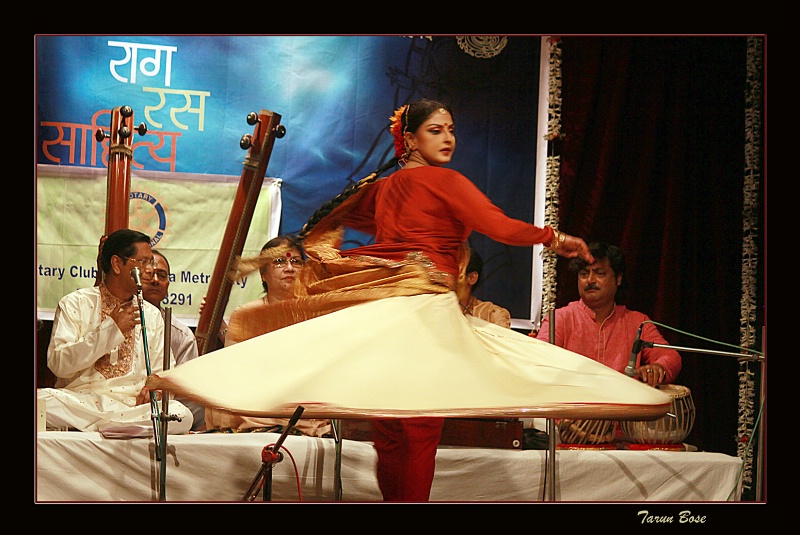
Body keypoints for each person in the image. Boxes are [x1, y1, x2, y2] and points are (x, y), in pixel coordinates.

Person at [150, 99, 671, 502]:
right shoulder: (443, 181)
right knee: (418, 426)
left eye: (451, 130)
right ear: (411, 139)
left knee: (391, 429)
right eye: (435, 130)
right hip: (421, 311)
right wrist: (555, 239)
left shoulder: (382, 188)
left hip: (386, 308)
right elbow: (498, 226)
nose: (448, 138)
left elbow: (343, 221)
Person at [40, 229, 193, 434]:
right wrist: (110, 330)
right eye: (143, 262)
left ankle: (110, 427)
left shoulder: (152, 315)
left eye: (151, 262)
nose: (149, 270)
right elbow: (59, 365)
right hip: (82, 403)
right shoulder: (76, 303)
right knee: (41, 401)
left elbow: (162, 373)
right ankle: (116, 428)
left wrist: (156, 389)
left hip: (132, 408)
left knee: (181, 414)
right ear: (117, 264)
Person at [202, 236, 332, 437]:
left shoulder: (317, 314)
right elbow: (233, 369)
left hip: (302, 393)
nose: (289, 268)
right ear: (263, 274)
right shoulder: (246, 314)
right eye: (279, 262)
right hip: (260, 397)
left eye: (296, 262)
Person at [535, 241, 682, 386]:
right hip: (574, 405)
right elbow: (536, 361)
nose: (590, 280)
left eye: (599, 273)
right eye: (584, 274)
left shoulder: (638, 322)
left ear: (618, 278)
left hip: (624, 406)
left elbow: (670, 356)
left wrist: (658, 368)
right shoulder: (560, 319)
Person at [142, 249, 205, 431]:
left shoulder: (181, 335)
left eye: (161, 275)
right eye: (149, 274)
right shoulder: (119, 321)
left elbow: (189, 394)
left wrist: (162, 396)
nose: (155, 280)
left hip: (163, 413)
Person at [455, 243, 511, 328]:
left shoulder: (491, 314)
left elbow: (502, 339)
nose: (446, 280)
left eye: (454, 273)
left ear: (472, 278)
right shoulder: (434, 311)